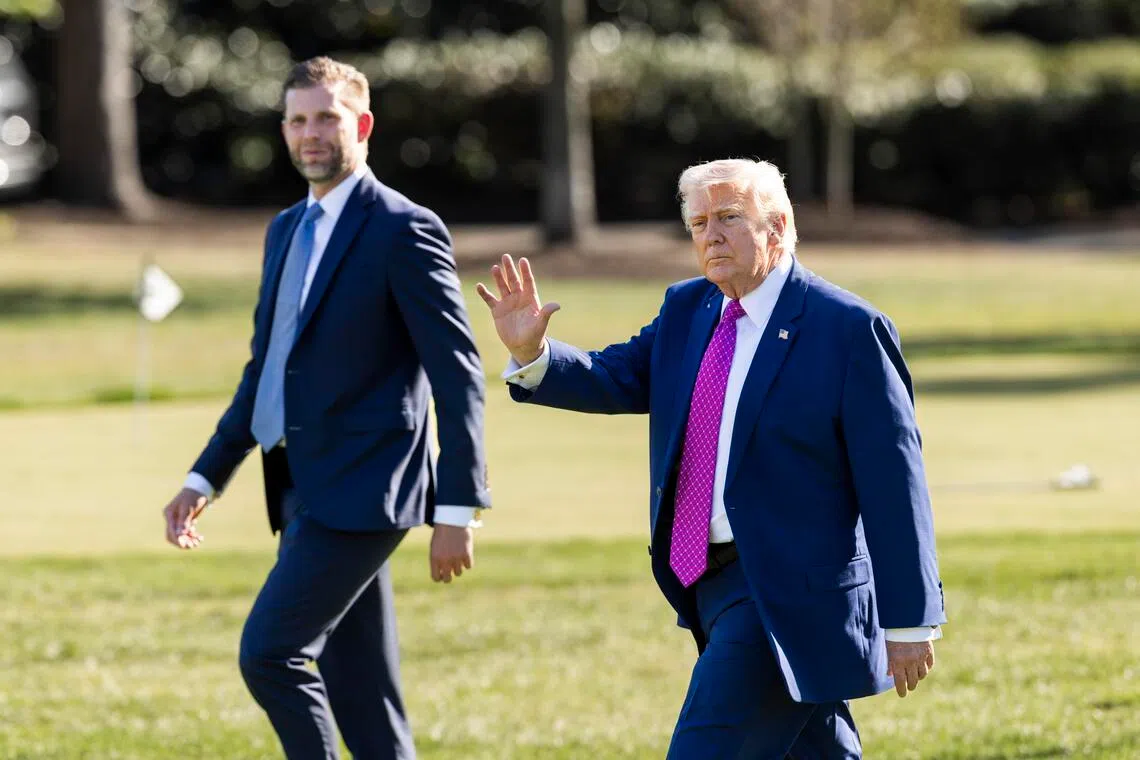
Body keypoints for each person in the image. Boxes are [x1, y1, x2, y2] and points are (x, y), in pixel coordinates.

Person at [476, 159, 945, 758]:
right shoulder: (688, 308)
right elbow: (617, 376)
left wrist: (910, 618)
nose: (711, 236)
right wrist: (534, 352)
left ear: (777, 226)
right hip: (709, 584)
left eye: (729, 218)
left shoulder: (847, 328)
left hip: (791, 595)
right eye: (698, 224)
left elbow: (894, 483)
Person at [160, 56, 491, 759]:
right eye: (297, 120)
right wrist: (204, 477)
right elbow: (267, 371)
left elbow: (458, 373)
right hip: (299, 486)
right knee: (363, 694)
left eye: (326, 118)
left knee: (271, 655)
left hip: (369, 489)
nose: (311, 133)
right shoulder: (285, 229)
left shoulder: (405, 228)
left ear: (361, 125)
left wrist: (458, 508)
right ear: (284, 130)